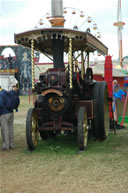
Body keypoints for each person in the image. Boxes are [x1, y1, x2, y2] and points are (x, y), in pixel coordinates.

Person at [0, 83, 20, 150]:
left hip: (4, 113)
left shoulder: (0, 94)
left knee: (4, 130)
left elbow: (0, 104)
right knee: (10, 129)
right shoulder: (6, 92)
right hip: (11, 112)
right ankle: (12, 144)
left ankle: (6, 145)